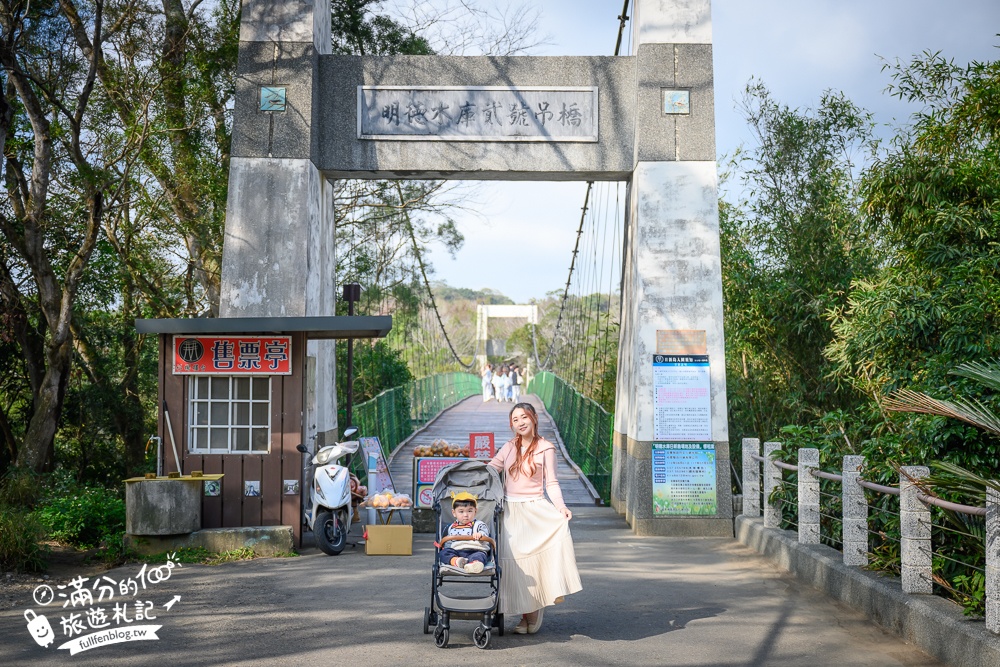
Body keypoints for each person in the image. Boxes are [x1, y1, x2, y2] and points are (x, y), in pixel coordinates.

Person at [488, 402, 581, 634]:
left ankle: (534, 610)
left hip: (535, 510)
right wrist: (467, 475)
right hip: (511, 512)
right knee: (517, 566)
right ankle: (525, 614)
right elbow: (491, 469)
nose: (520, 423)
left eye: (524, 417)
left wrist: (561, 507)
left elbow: (551, 483)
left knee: (534, 564)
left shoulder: (546, 448)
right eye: (515, 419)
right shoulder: (509, 447)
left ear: (534, 418)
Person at [439, 492, 490, 574]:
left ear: (475, 511)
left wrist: (480, 534)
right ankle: (456, 561)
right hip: (457, 552)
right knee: (444, 553)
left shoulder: (479, 525)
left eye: (470, 511)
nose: (466, 515)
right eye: (461, 512)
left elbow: (485, 533)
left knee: (480, 556)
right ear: (454, 513)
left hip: (475, 550)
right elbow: (448, 543)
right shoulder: (451, 527)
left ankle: (473, 565)